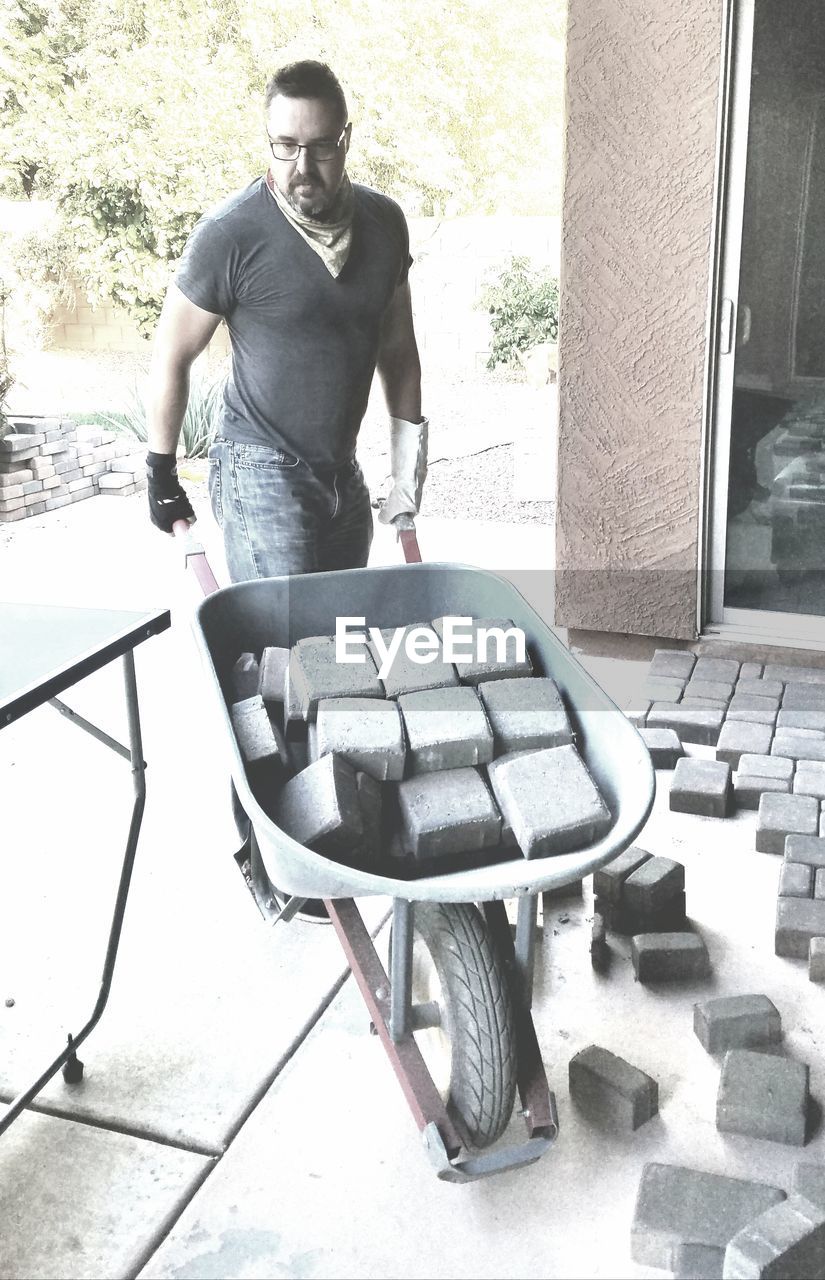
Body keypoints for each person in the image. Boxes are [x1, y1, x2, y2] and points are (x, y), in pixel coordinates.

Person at [145, 58, 428, 578]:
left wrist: (407, 472)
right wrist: (161, 471)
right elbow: (172, 354)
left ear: (346, 140)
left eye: (320, 147)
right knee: (288, 648)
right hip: (259, 470)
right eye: (285, 146)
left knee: (339, 645)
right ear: (268, 141)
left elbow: (399, 351)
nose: (302, 166)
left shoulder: (384, 224)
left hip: (341, 471)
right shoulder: (231, 234)